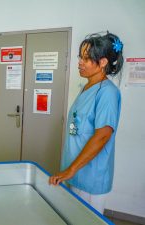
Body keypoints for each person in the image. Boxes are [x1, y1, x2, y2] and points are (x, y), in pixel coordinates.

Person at [49, 32, 124, 214]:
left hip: (91, 178)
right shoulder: (87, 87)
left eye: (87, 58)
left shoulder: (107, 93)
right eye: (80, 57)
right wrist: (70, 170)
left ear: (103, 62)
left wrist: (71, 170)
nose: (80, 63)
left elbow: (103, 135)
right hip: (75, 173)